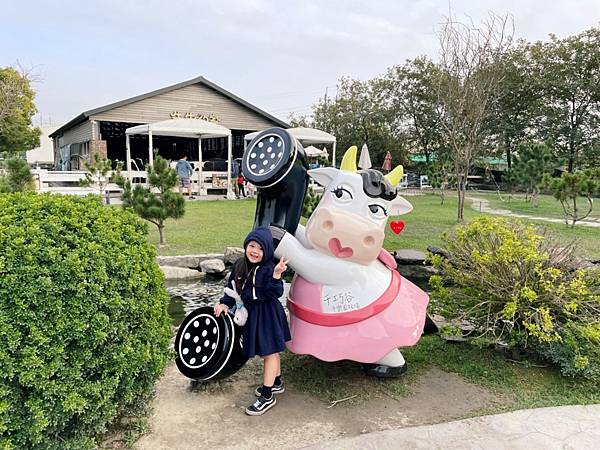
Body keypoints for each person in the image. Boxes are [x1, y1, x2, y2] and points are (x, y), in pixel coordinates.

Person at [214, 227, 290, 416]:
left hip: (268, 315)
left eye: (261, 248)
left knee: (270, 353)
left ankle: (267, 395)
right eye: (252, 246)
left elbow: (275, 292)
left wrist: (277, 275)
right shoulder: (239, 265)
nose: (255, 251)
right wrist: (224, 304)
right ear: (246, 245)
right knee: (269, 352)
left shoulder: (269, 268)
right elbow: (232, 289)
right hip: (252, 315)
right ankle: (277, 382)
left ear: (267, 252)